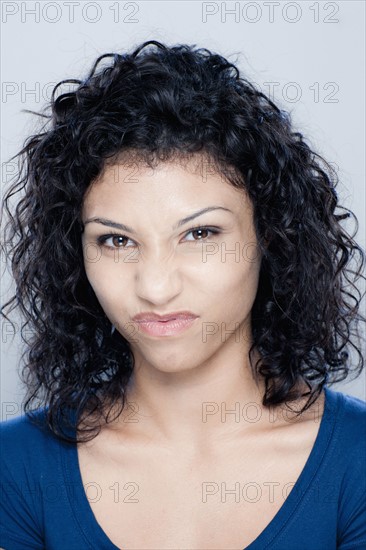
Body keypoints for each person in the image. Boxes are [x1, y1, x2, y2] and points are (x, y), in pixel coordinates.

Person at [0, 39, 365, 550]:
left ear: (271, 236)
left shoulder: (357, 462)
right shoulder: (15, 468)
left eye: (199, 234)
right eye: (116, 240)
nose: (154, 286)